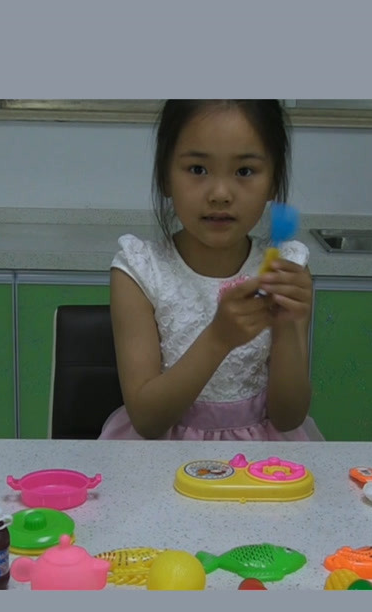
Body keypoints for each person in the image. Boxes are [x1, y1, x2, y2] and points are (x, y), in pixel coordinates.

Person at [98, 99, 324, 441]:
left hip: (260, 459)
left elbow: (289, 416)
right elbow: (147, 420)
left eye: (244, 171)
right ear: (165, 176)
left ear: (273, 182)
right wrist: (219, 338)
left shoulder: (287, 271)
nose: (220, 194)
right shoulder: (138, 272)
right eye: (198, 169)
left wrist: (287, 327)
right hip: (162, 457)